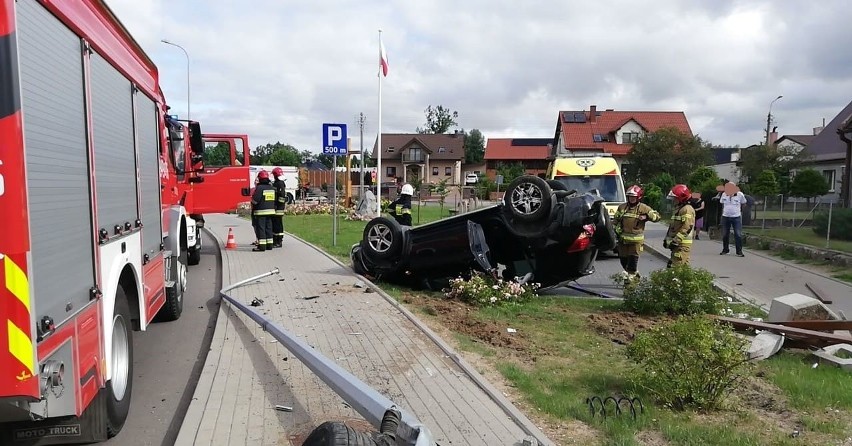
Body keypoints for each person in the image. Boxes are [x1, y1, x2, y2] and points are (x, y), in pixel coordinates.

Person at [613, 185, 661, 281]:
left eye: (633, 197)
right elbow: (616, 220)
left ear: (638, 197)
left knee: (632, 264)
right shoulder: (622, 207)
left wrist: (647, 217)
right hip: (623, 241)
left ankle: (631, 285)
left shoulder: (643, 208)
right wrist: (615, 230)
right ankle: (635, 275)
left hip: (635, 243)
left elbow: (657, 217)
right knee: (624, 262)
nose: (631, 199)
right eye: (630, 197)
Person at [664, 184, 696, 267]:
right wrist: (667, 239)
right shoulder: (680, 208)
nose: (674, 200)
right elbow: (673, 227)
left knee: (675, 270)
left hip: (682, 245)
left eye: (675, 198)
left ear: (681, 198)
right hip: (679, 245)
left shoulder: (687, 209)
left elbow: (687, 227)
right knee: (683, 272)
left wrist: (676, 241)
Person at [714, 182, 747, 257]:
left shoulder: (740, 194)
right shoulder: (724, 194)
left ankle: (739, 251)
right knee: (725, 234)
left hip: (736, 217)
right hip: (725, 216)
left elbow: (744, 203)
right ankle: (725, 250)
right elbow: (722, 203)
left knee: (738, 234)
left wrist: (739, 211)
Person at [251, 170, 276, 252]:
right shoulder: (271, 188)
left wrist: (252, 201)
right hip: (271, 211)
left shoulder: (259, 188)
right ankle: (270, 245)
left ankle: (262, 246)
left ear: (260, 178)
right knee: (269, 228)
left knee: (261, 228)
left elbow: (255, 200)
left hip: (261, 212)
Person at [271, 167, 287, 248]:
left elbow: (281, 197)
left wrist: (277, 205)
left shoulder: (279, 184)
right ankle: (276, 240)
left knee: (278, 225)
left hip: (278, 208)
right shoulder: (277, 183)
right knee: (276, 224)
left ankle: (279, 241)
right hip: (277, 207)